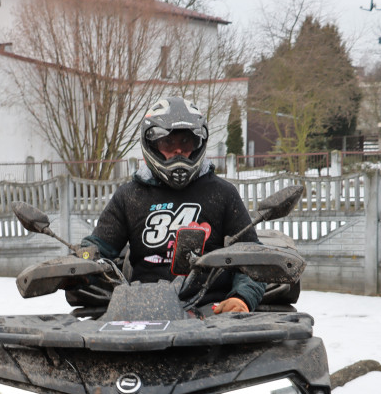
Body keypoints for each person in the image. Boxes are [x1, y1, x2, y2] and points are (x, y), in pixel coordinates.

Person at [79, 96, 264, 313]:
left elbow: (253, 257)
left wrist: (241, 298)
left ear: (198, 144)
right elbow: (97, 248)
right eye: (168, 142)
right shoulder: (129, 196)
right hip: (142, 311)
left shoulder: (223, 193)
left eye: (185, 142)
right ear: (152, 145)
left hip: (211, 312)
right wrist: (79, 263)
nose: (178, 151)